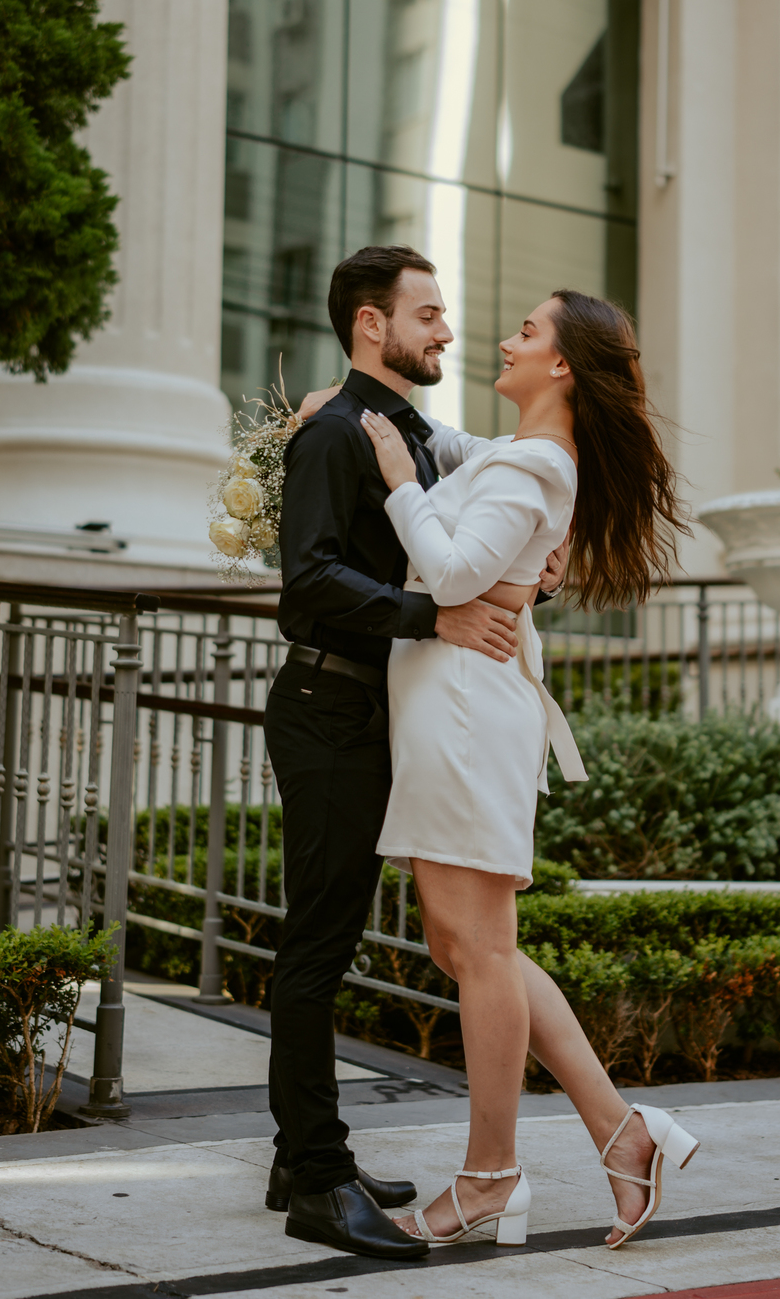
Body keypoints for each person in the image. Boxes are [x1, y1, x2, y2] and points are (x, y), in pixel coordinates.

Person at [356, 287, 699, 1251]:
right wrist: (364, 413)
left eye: (527, 330)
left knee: (479, 952)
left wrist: (398, 481)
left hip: (467, 716)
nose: (505, 341)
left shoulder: (541, 463)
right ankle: (623, 1133)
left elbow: (454, 575)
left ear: (562, 365)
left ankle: (490, 1177)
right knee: (470, 949)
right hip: (456, 710)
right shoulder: (524, 455)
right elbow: (463, 452)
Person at [263, 245, 566, 1261]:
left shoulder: (416, 435)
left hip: (371, 713)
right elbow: (306, 584)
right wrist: (431, 618)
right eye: (427, 314)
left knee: (333, 937)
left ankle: (300, 1154)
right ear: (370, 323)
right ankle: (317, 1181)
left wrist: (542, 566)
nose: (447, 330)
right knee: (317, 945)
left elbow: (487, 523)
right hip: (325, 707)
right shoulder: (333, 435)